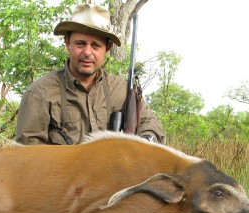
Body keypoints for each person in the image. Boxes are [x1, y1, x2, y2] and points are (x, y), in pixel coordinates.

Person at [15, 3, 165, 145]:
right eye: (80, 43)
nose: (87, 53)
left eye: (95, 45)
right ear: (67, 42)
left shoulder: (120, 89)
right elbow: (29, 152)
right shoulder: (40, 92)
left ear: (107, 48)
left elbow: (150, 122)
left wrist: (147, 140)